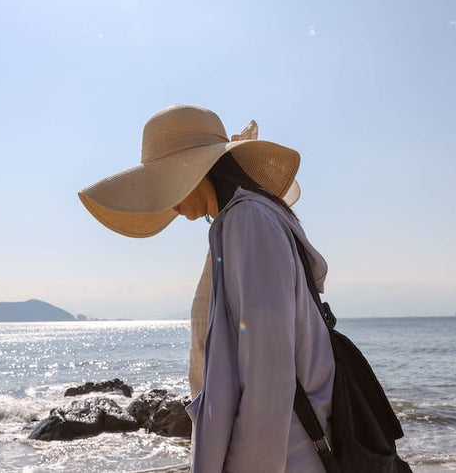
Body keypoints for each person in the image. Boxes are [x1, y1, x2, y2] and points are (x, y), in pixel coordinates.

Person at [79, 104, 335, 472]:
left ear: (198, 170)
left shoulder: (247, 222)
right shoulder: (247, 219)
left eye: (165, 182)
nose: (166, 201)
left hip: (283, 457)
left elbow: (269, 376)